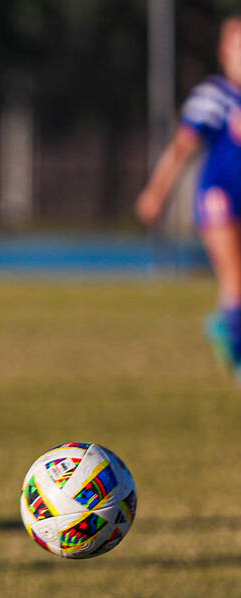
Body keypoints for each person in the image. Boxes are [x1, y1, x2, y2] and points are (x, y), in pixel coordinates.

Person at [138, 14, 241, 380]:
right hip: (220, 197)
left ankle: (223, 327)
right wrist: (156, 191)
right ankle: (237, 359)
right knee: (235, 279)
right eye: (236, 45)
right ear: (224, 52)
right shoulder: (213, 97)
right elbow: (182, 148)